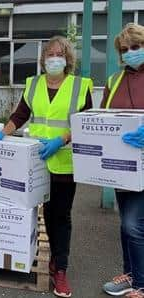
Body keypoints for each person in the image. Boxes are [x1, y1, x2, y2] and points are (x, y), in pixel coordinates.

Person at [0, 36, 93, 298]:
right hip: (36, 161)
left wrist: (61, 139)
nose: (54, 58)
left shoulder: (80, 86)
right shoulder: (33, 84)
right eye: (49, 54)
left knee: (60, 215)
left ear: (67, 58)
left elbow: (85, 122)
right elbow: (21, 114)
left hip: (64, 161)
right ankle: (30, 253)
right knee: (41, 211)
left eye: (59, 54)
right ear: (43, 60)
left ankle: (60, 268)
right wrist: (4, 132)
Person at [101, 23, 144, 298]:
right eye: (125, 49)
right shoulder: (114, 81)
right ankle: (129, 274)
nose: (130, 53)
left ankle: (141, 283)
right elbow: (103, 118)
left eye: (136, 47)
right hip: (122, 166)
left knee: (133, 224)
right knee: (125, 225)